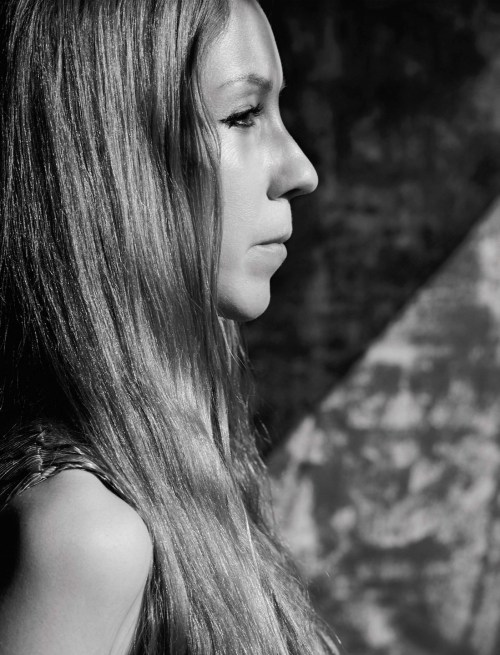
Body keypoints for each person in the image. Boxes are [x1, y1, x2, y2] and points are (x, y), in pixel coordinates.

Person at [0, 0, 339, 653]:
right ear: (113, 155)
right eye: (242, 115)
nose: (300, 169)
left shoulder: (189, 456)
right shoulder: (87, 535)